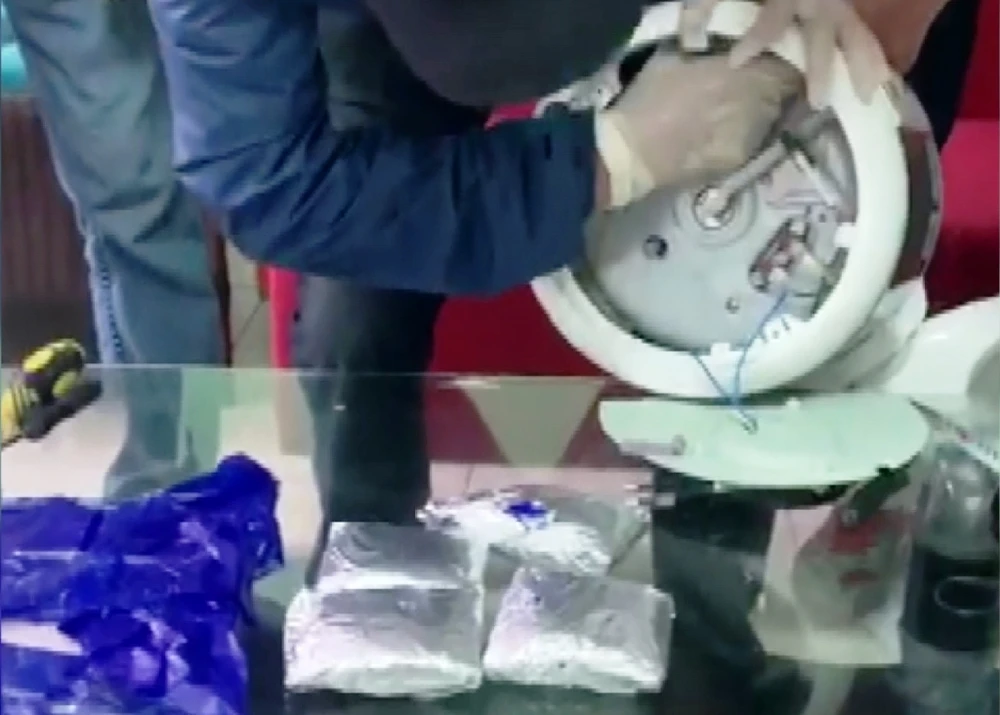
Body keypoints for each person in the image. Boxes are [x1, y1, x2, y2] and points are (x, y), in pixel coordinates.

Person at [143, 0, 889, 555]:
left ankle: (709, 629)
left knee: (747, 318)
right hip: (389, 40)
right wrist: (616, 156)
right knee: (355, 316)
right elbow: (271, 184)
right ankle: (372, 598)